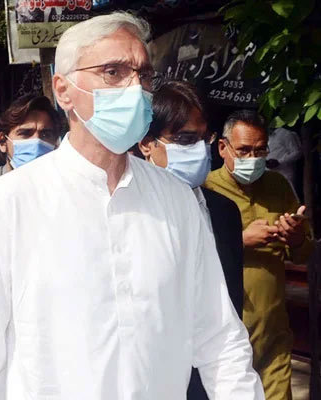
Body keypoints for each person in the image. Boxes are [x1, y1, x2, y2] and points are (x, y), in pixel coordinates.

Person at [0, 12, 263, 399]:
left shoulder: (176, 201)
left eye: (143, 75)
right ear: (64, 90)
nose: (135, 87)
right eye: (112, 72)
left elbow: (220, 340)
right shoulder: (13, 199)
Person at [136, 80, 244, 400]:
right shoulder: (130, 213)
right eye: (184, 139)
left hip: (212, 379)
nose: (198, 150)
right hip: (151, 379)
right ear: (146, 143)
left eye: (202, 139)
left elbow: (231, 306)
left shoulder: (224, 212)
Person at [205, 110, 313, 400]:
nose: (252, 159)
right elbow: (191, 256)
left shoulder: (277, 186)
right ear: (223, 148)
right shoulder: (206, 189)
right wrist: (240, 241)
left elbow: (303, 253)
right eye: (243, 150)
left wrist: (296, 236)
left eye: (259, 150)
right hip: (225, 337)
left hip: (273, 332)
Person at [0, 94, 61, 178]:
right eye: (25, 133)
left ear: (56, 144)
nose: (37, 141)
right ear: (3, 142)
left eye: (45, 134)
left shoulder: (66, 185)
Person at [266, 126, 302, 198]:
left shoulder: (285, 133)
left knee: (289, 198)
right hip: (268, 174)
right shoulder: (264, 135)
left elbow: (297, 153)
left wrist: (280, 162)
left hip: (284, 174)